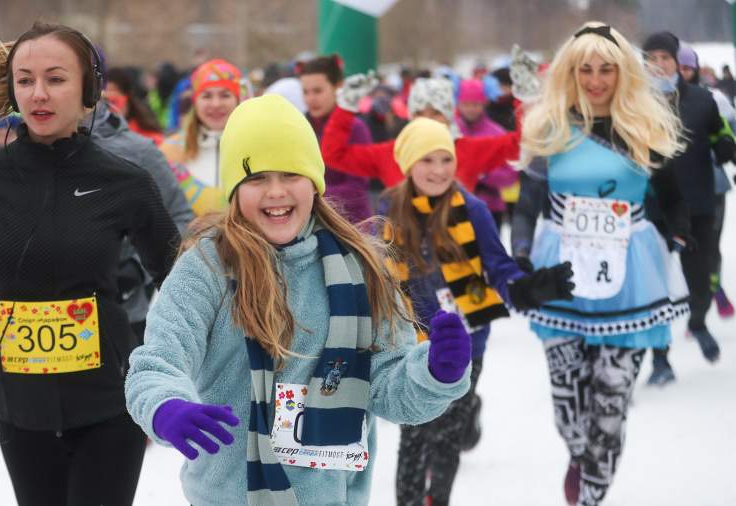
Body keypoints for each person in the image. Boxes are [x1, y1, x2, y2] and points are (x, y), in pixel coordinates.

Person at [125, 94, 473, 505]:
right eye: (256, 178)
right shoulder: (205, 267)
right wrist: (168, 407)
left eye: (291, 174)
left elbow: (389, 390)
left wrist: (436, 373)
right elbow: (158, 361)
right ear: (235, 190)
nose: (276, 192)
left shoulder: (362, 267)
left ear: (315, 181)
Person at [0, 22, 180, 506]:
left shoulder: (124, 182)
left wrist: (177, 371)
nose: (38, 94)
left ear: (89, 88)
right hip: (19, 409)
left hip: (111, 406)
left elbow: (181, 286)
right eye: (25, 80)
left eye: (56, 78)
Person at [512, 23, 689, 506]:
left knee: (610, 406)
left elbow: (674, 199)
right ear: (570, 72)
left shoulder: (643, 128)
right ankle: (579, 455)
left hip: (629, 277)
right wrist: (523, 260)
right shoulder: (549, 126)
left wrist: (676, 234)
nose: (595, 79)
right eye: (585, 69)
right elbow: (527, 205)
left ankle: (590, 494)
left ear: (622, 72)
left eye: (606, 69)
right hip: (562, 275)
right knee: (569, 410)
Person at [382, 118, 574, 506]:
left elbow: (499, 267)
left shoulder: (473, 209)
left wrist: (526, 287)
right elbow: (378, 273)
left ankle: (438, 499)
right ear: (408, 165)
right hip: (411, 341)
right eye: (427, 160)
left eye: (445, 159)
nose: (438, 170)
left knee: (446, 436)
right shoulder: (389, 210)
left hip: (466, 342)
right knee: (415, 433)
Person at [642, 31, 734, 382]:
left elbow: (720, 132)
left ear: (677, 62)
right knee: (656, 289)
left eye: (665, 58)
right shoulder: (634, 103)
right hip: (654, 209)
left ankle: (697, 323)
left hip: (697, 204)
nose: (660, 65)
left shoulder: (702, 100)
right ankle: (660, 359)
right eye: (653, 59)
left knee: (701, 279)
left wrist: (726, 143)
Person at [320, 74, 521, 193]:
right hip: (403, 255)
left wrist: (524, 100)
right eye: (419, 113)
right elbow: (334, 154)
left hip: (455, 254)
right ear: (409, 115)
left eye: (436, 113)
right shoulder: (392, 153)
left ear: (449, 116)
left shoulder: (468, 150)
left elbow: (520, 143)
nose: (427, 120)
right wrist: (345, 108)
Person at [678, 44, 735, 319]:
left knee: (710, 244)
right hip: (679, 189)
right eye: (678, 67)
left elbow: (731, 135)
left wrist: (726, 146)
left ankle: (714, 290)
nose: (682, 73)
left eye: (687, 68)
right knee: (691, 247)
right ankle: (701, 300)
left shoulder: (714, 99)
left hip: (713, 186)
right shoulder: (660, 100)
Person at [160, 58, 242, 216]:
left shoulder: (254, 146)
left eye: (225, 95)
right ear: (195, 101)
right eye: (207, 96)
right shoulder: (169, 151)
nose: (216, 104)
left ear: (238, 99)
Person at [299, 55, 374, 223]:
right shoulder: (299, 126)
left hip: (353, 226)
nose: (311, 98)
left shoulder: (355, 128)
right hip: (311, 225)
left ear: (338, 87)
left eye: (318, 91)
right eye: (305, 92)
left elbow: (357, 189)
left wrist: (309, 194)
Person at [456, 79, 519, 228]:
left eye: (476, 104)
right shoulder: (450, 130)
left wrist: (483, 175)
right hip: (454, 207)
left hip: (489, 207)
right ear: (458, 104)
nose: (471, 109)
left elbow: (510, 173)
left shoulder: (496, 133)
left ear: (484, 103)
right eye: (466, 104)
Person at [104, 67, 164, 145]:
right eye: (105, 100)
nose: (110, 107)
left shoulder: (146, 134)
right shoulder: (95, 131)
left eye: (114, 101)